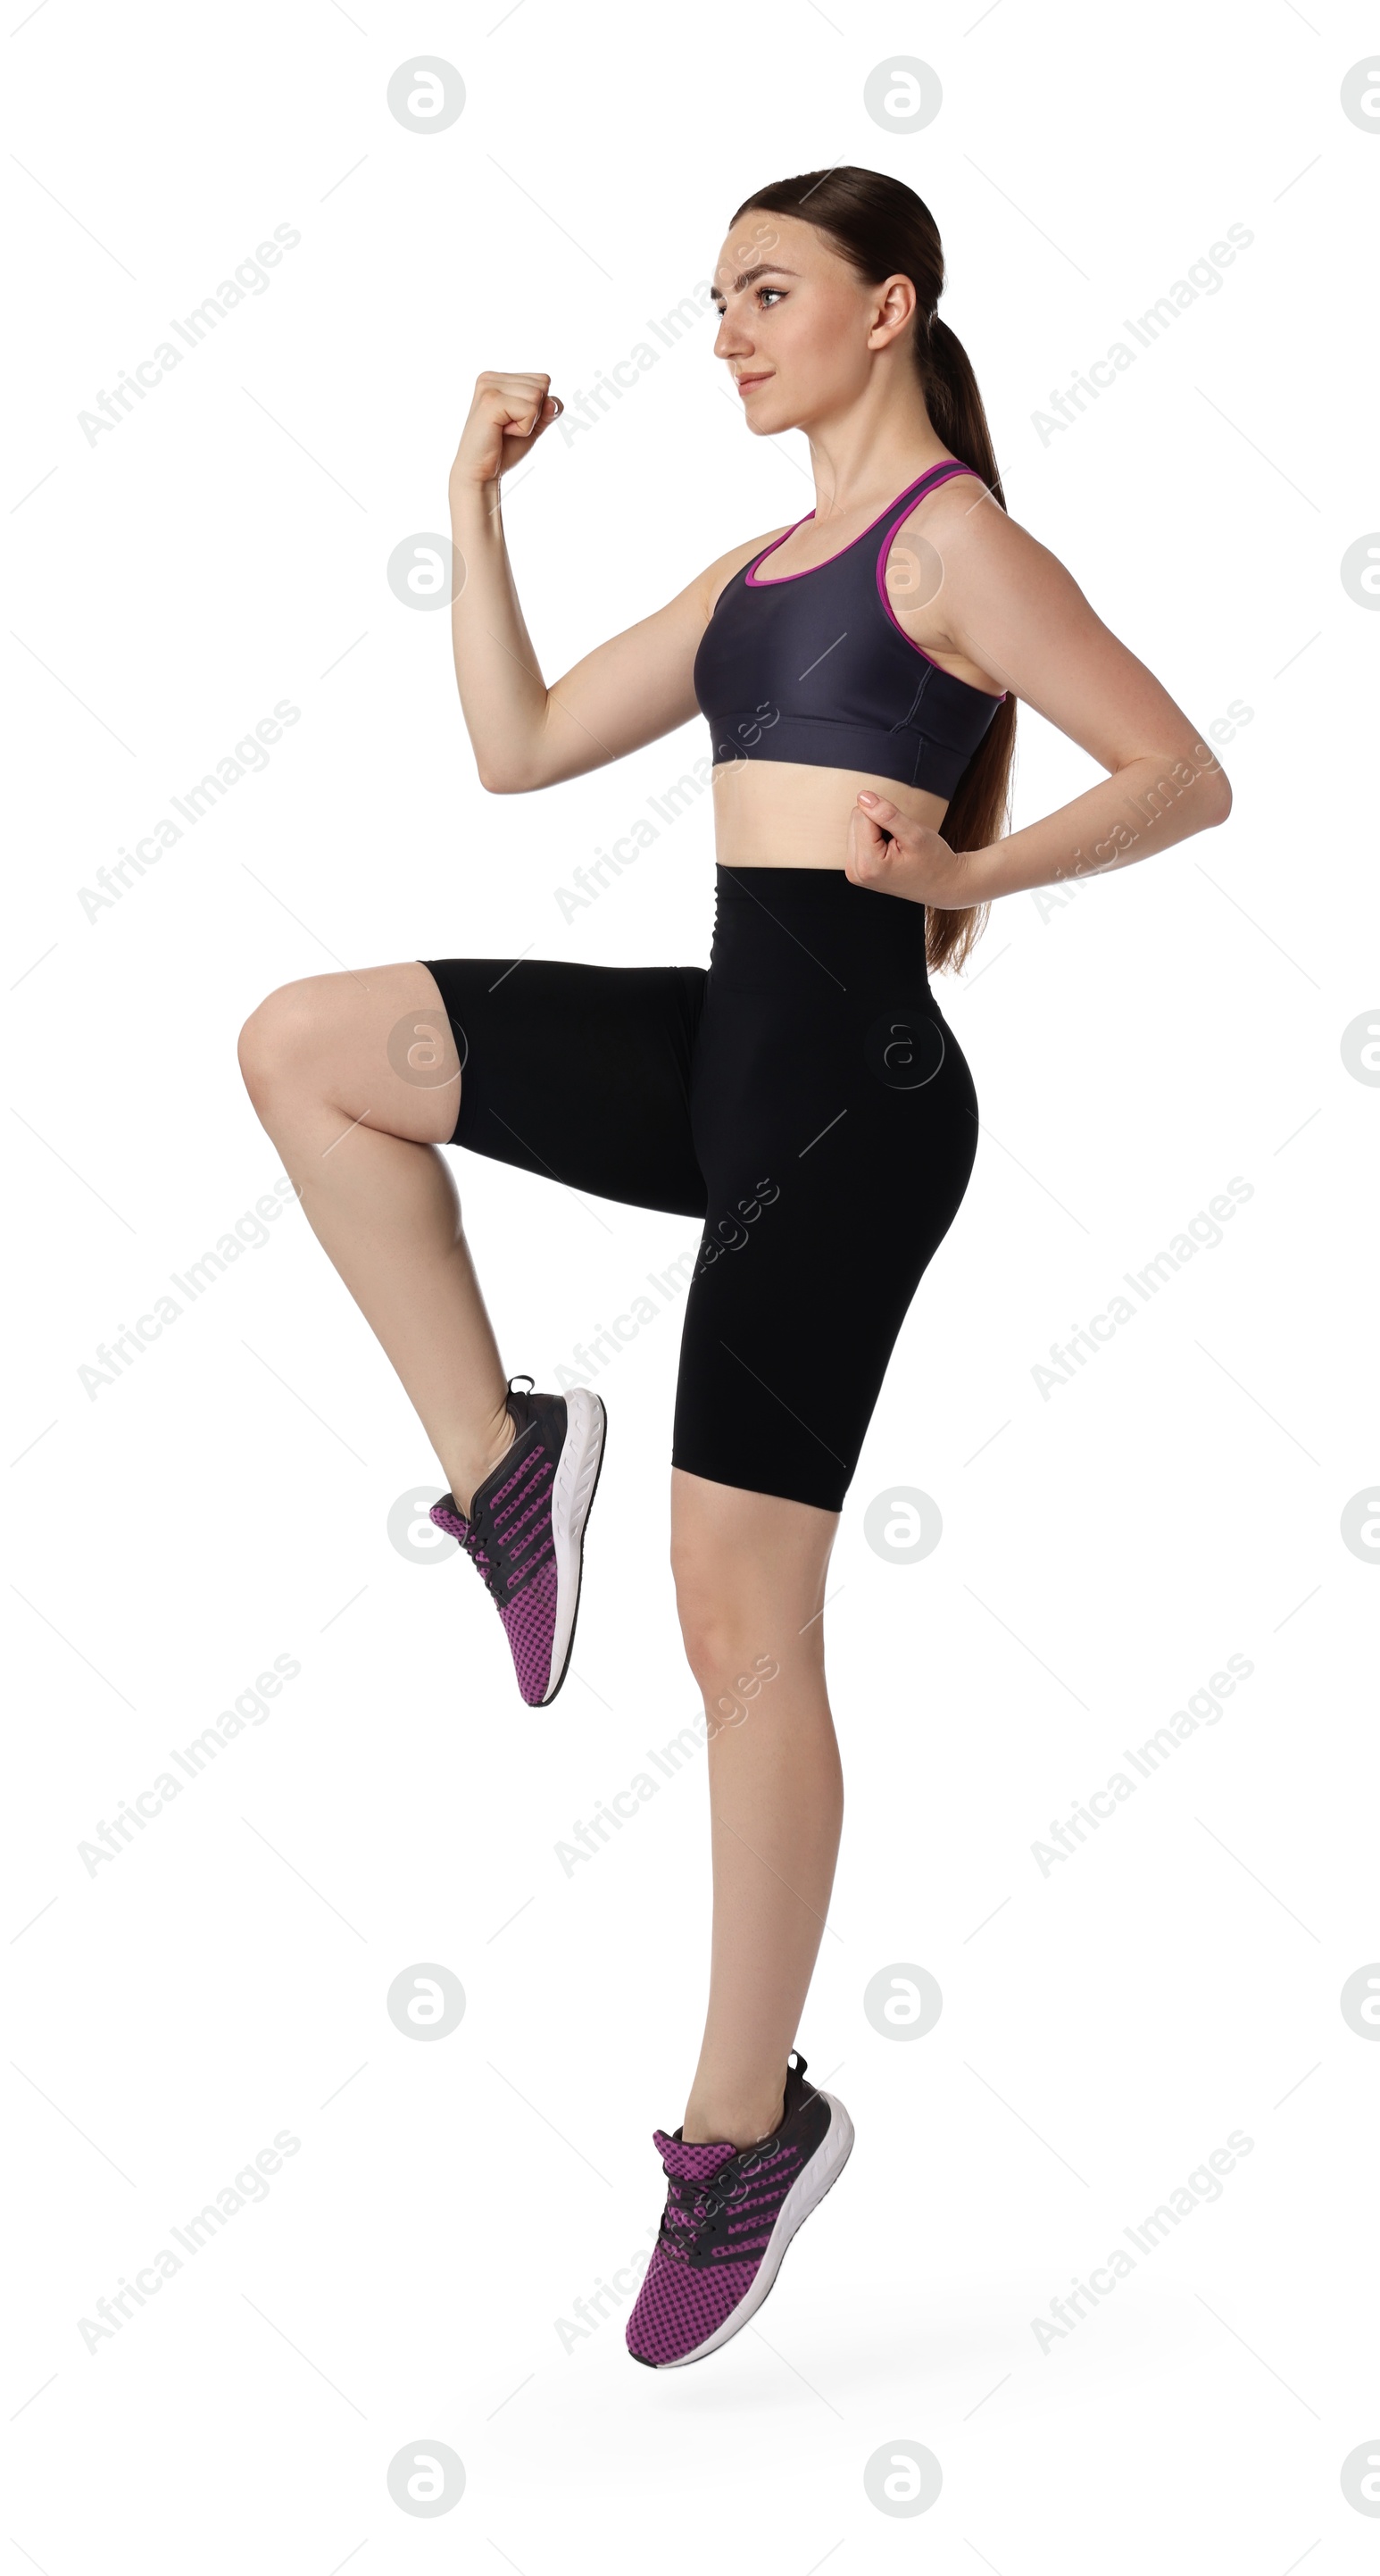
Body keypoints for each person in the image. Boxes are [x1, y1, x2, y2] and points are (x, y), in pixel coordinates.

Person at [238, 166, 1233, 2371]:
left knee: (735, 1631)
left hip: (851, 1102)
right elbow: (510, 755)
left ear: (887, 312)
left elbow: (1181, 771)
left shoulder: (947, 540)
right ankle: (504, 1463)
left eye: (762, 295)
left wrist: (973, 856)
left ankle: (738, 2128)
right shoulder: (751, 570)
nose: (722, 333)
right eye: (710, 301)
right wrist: (467, 504)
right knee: (309, 1046)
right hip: (722, 1054)